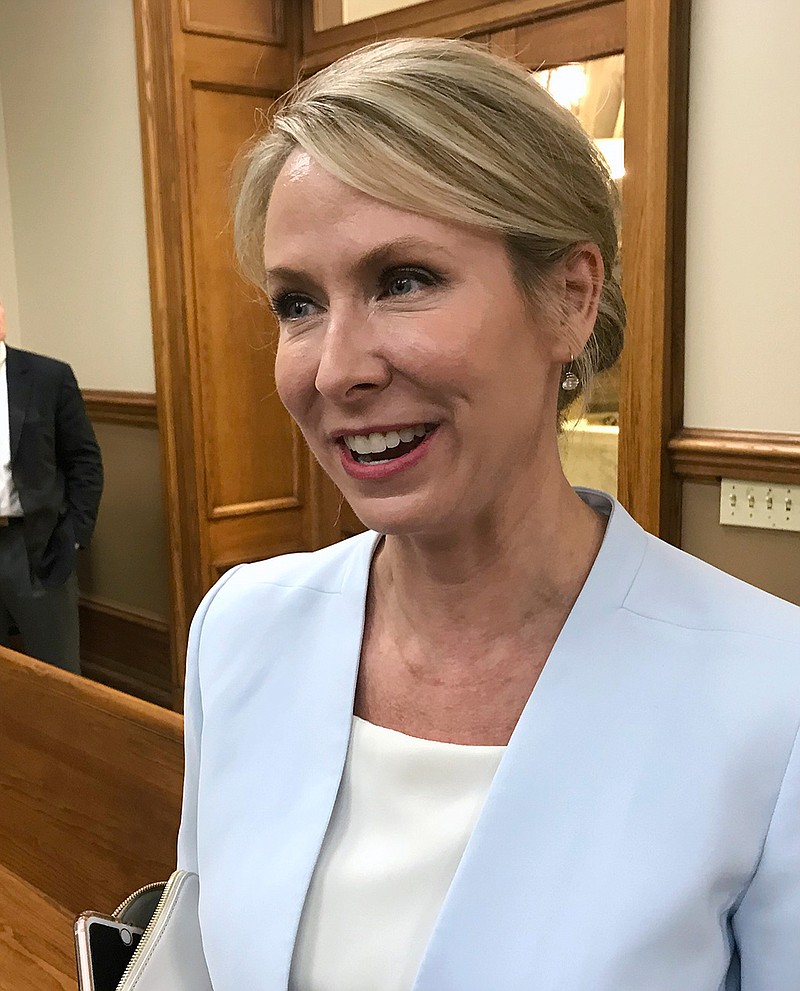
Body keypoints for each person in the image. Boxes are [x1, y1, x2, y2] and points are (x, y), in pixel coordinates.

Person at [177, 38, 800, 991]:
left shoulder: (770, 694)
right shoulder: (241, 628)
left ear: (569, 299)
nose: (337, 368)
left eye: (405, 280)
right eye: (298, 303)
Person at [0, 296, 103, 673]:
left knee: (56, 673)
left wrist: (73, 535)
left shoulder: (47, 377)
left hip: (36, 545)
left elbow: (84, 461)